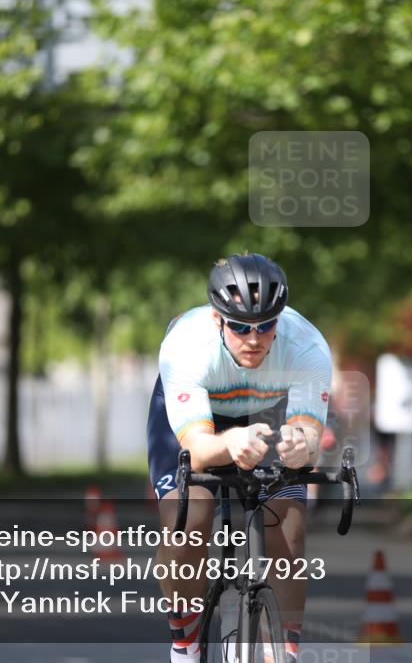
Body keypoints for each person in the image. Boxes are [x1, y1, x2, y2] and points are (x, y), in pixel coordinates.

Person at [146, 253, 332, 663]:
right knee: (188, 520)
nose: (254, 338)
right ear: (217, 320)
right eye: (240, 327)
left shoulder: (308, 347)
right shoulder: (186, 346)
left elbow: (309, 432)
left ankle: (283, 652)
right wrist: (229, 444)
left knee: (289, 528)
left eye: (266, 325)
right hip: (200, 418)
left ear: (279, 321)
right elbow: (195, 448)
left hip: (267, 412)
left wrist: (301, 446)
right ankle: (186, 646)